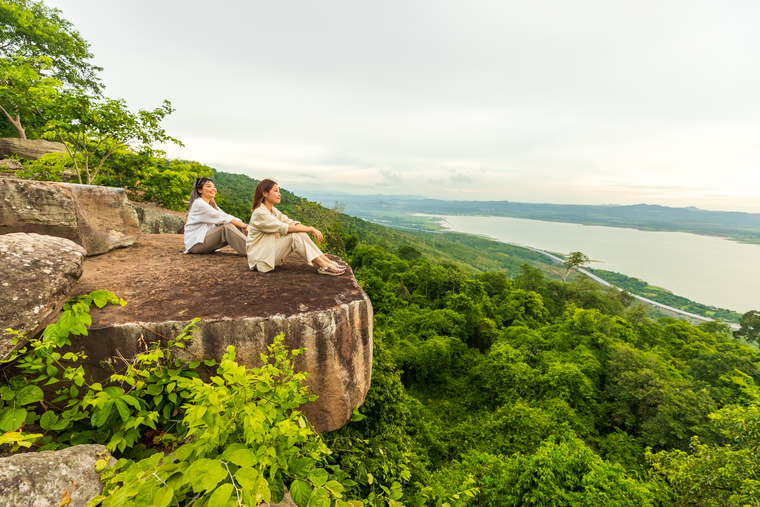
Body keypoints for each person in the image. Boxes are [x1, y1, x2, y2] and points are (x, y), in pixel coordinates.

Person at [247, 179, 345, 275]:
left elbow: (291, 223)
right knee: (294, 236)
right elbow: (286, 228)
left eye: (279, 191)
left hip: (268, 255)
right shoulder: (259, 213)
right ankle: (323, 265)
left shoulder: (273, 211)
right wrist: (311, 229)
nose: (279, 194)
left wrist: (308, 229)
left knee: (300, 232)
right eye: (276, 191)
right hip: (260, 260)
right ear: (265, 193)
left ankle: (328, 262)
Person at [184, 177, 249, 255]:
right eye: (208, 186)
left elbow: (226, 216)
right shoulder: (199, 204)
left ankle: (257, 248)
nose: (213, 189)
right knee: (226, 228)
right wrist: (245, 226)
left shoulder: (211, 205)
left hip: (204, 241)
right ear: (199, 190)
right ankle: (254, 252)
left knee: (237, 226)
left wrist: (244, 225)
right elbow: (224, 218)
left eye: (214, 187)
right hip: (195, 245)